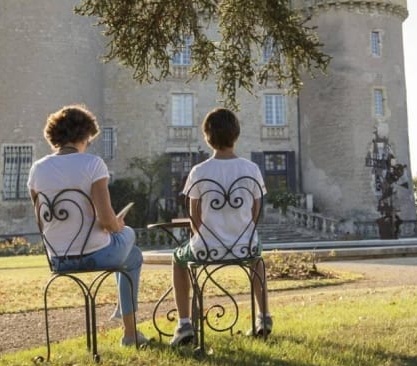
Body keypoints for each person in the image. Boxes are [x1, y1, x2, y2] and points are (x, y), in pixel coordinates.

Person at [29, 104, 146, 347]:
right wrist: (116, 223)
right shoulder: (92, 164)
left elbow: (41, 220)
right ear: (85, 135)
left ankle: (125, 321)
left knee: (131, 256)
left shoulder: (37, 169)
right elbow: (107, 221)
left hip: (58, 259)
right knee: (130, 240)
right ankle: (130, 333)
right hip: (94, 256)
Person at [170, 107, 271, 346]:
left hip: (207, 248)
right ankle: (263, 317)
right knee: (257, 259)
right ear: (236, 135)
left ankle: (184, 323)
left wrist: (203, 241)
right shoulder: (251, 169)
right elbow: (256, 213)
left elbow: (194, 217)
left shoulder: (199, 171)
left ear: (207, 136)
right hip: (244, 247)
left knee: (177, 258)